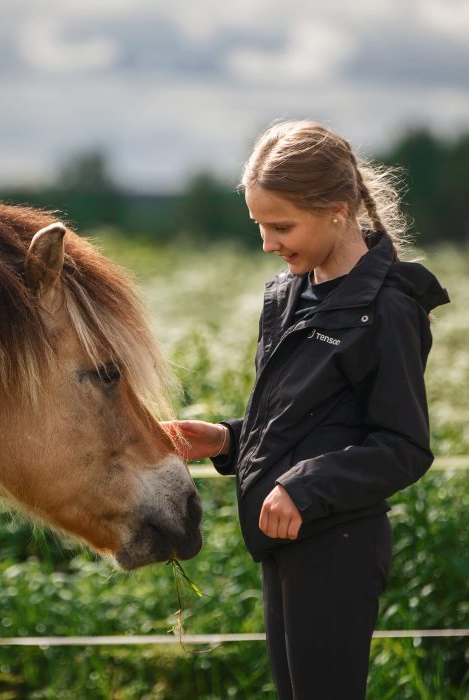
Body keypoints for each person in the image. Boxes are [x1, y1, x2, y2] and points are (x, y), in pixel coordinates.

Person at [164, 120, 450, 699]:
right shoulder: (290, 294)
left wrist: (304, 486)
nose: (268, 243)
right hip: (284, 541)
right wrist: (224, 440)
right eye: (260, 226)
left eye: (281, 226)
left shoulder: (388, 307)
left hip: (338, 544)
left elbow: (403, 446)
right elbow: (305, 425)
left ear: (337, 210)